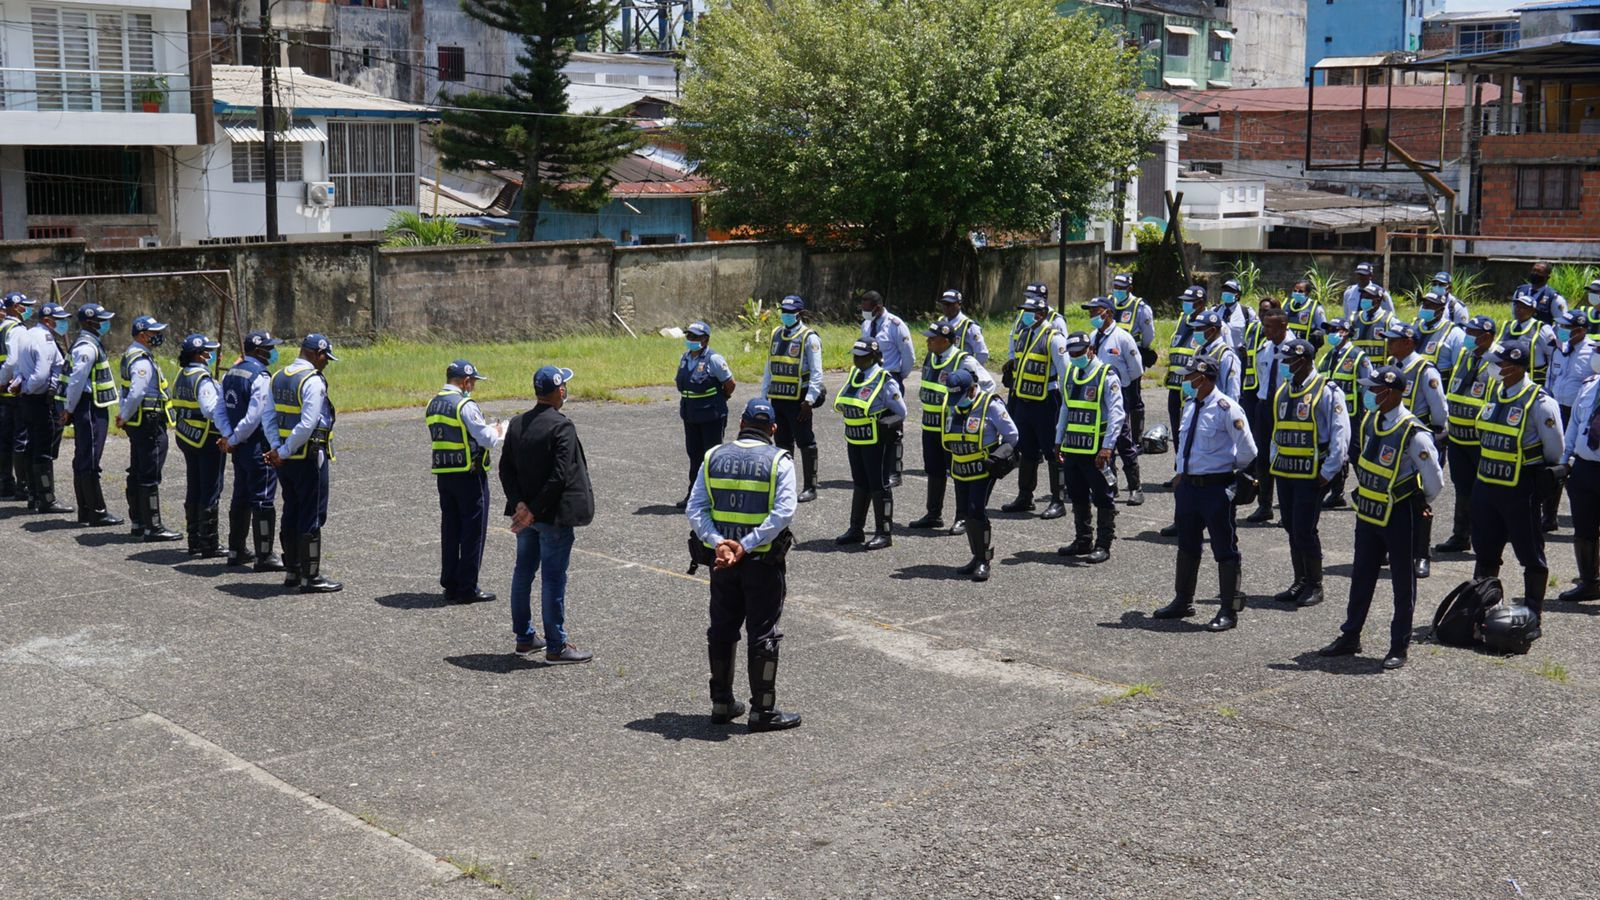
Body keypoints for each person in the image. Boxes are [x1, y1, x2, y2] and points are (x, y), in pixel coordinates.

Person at [1317, 365, 1444, 671]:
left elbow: (1435, 480)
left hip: (1399, 514)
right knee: (1361, 575)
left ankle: (1398, 644)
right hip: (1368, 512)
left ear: (1391, 393)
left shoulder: (1414, 433)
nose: (1369, 394)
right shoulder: (1371, 420)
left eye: (1374, 390)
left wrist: (1417, 503)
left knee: (1402, 582)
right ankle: (1350, 635)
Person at [687, 397, 801, 730]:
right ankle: (762, 711)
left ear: (741, 423)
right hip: (762, 562)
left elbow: (696, 509)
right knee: (763, 633)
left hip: (721, 563)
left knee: (722, 629)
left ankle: (721, 703)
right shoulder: (780, 461)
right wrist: (745, 545)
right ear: (774, 429)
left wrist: (719, 543)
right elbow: (783, 512)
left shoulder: (713, 456)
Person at [1152, 355, 1256, 631]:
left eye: (1191, 377)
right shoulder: (1191, 404)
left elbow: (1248, 450)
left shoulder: (1227, 408)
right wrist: (1180, 473)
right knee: (1187, 545)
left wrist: (1226, 471)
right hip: (1189, 487)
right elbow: (1187, 444)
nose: (1186, 381)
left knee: (1224, 549)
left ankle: (1228, 610)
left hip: (1215, 488)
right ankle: (1183, 600)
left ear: (1204, 377)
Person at [501, 365, 595, 663]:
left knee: (523, 573)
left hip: (527, 514)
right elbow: (559, 476)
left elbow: (506, 470)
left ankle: (525, 638)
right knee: (553, 579)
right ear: (560, 391)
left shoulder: (516, 423)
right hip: (551, 517)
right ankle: (556, 645)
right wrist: (534, 511)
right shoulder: (562, 426)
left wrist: (520, 505)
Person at [1471, 342, 1565, 628]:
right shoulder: (1494, 392)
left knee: (1529, 552)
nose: (1493, 369)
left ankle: (1533, 611)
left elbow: (1554, 450)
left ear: (1515, 367)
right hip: (1486, 486)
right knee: (1486, 551)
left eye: (1498, 364)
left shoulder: (1539, 402)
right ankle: (1484, 607)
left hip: (1518, 489)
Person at [1268, 339, 1349, 609]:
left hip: (1311, 474)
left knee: (1304, 529)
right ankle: (1299, 581)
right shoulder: (1284, 390)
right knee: (1291, 527)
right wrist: (1274, 459)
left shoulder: (1327, 390)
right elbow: (1278, 430)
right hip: (1286, 471)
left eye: (1290, 361)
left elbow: (1340, 434)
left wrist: (1329, 471)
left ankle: (1315, 584)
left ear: (1303, 361)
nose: (1285, 365)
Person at [266, 334, 341, 593]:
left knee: (291, 510)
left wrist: (277, 448)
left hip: (285, 459)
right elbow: (308, 423)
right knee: (312, 514)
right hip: (308, 456)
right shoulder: (312, 381)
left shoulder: (278, 376)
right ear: (316, 354)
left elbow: (269, 416)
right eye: (325, 358)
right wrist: (285, 450)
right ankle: (311, 577)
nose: (326, 363)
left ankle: (293, 570)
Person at [427, 359, 506, 604]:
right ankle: (467, 587)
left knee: (450, 529)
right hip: (469, 475)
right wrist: (499, 430)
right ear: (464, 381)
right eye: (472, 382)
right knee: (473, 531)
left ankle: (450, 583)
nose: (473, 387)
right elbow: (486, 439)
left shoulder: (433, 403)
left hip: (444, 473)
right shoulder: (465, 404)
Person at [908, 321, 990, 534]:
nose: (927, 341)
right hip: (930, 425)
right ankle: (933, 514)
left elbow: (987, 384)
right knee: (934, 470)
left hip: (952, 427)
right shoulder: (931, 356)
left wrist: (970, 410)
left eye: (932, 338)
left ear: (945, 341)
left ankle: (962, 517)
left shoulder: (964, 360)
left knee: (959, 472)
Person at [1054, 331, 1125, 564]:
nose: (1075, 357)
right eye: (1071, 354)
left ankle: (1103, 544)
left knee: (1103, 497)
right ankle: (1083, 540)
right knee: (1077, 495)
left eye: (1079, 353)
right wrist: (1058, 439)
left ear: (1091, 350)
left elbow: (1117, 415)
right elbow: (1066, 407)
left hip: (1097, 450)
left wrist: (1107, 447)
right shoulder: (1071, 374)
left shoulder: (1106, 375)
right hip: (1074, 447)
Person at [942, 368, 1018, 581]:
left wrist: (998, 458)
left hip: (983, 468)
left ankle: (984, 560)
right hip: (961, 468)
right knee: (966, 513)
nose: (957, 401)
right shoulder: (952, 404)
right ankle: (975, 557)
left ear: (973, 389)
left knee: (976, 510)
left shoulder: (990, 404)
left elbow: (1012, 435)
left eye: (961, 395)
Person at [1385, 321, 1448, 578]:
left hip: (1417, 439)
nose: (1389, 343)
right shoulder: (1392, 366)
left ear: (1409, 342)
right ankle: (1396, 547)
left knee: (1419, 497)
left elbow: (1439, 408)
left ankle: (1421, 554)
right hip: (1394, 438)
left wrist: (1434, 436)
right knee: (1394, 493)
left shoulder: (1424, 369)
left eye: (1394, 339)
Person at [219, 331, 285, 571]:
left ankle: (236, 550)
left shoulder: (232, 372)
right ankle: (264, 555)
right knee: (263, 499)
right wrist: (235, 437)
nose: (273, 352)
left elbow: (220, 410)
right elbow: (255, 416)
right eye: (270, 348)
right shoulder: (261, 376)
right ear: (259, 350)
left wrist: (229, 437)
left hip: (239, 447)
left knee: (241, 496)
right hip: (257, 445)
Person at [1001, 292, 1069, 519]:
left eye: (1029, 313)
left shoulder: (1054, 338)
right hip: (1024, 400)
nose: (1025, 316)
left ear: (1040, 315)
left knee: (1052, 451)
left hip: (1046, 401)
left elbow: (1065, 372)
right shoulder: (1024, 333)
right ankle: (1025, 496)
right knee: (1027, 449)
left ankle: (1058, 500)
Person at [834, 339, 906, 549]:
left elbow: (901, 412)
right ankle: (856, 529)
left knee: (879, 485)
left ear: (874, 356)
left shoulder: (885, 380)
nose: (857, 359)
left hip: (876, 441)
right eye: (855, 355)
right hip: (855, 438)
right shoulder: (855, 375)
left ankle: (884, 533)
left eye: (862, 356)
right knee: (860, 483)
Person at [1436, 316, 1498, 555]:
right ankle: (1461, 535)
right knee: (1462, 489)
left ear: (1487, 336)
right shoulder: (1465, 356)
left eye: (1473, 333)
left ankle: (1486, 538)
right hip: (1458, 438)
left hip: (1481, 441)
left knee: (1483, 492)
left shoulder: (1496, 363)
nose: (1468, 337)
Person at [170, 334, 234, 558]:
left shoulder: (182, 374)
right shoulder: (203, 379)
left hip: (187, 437)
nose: (212, 354)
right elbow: (210, 409)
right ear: (199, 354)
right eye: (208, 351)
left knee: (194, 487)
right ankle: (209, 544)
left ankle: (194, 541)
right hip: (206, 440)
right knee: (210, 489)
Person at [58, 303, 121, 526]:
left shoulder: (88, 342)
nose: (105, 323)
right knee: (89, 460)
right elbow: (76, 381)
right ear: (89, 322)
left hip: (88, 407)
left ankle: (86, 511)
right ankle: (97, 512)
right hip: (89, 408)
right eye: (101, 320)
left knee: (84, 458)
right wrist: (69, 409)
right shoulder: (87, 347)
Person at [117, 315, 179, 539]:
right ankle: (153, 526)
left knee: (138, 470)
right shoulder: (141, 359)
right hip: (148, 422)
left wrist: (124, 414)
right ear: (143, 335)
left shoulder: (134, 354)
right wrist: (124, 415)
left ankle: (138, 522)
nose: (158, 337)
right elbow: (137, 392)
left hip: (140, 422)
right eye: (154, 333)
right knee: (149, 473)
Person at [758, 295, 823, 502]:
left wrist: (810, 400)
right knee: (782, 442)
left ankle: (810, 487)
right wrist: (763, 396)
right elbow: (770, 366)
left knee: (805, 441)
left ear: (799, 313)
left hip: (799, 399)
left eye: (789, 312)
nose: (785, 315)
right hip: (778, 396)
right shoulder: (776, 333)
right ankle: (786, 486)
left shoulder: (809, 337)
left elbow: (817, 371)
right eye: (783, 312)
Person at [1156, 286, 1209, 538]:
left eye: (1189, 301)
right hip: (1175, 388)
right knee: (1180, 443)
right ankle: (1179, 471)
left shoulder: (1209, 324)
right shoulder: (1181, 320)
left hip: (1194, 393)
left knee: (1194, 449)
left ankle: (1193, 517)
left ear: (1200, 303)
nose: (1185, 305)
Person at [9, 303, 71, 513]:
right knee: (43, 449)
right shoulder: (44, 339)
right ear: (47, 320)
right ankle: (46, 498)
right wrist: (28, 387)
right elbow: (41, 375)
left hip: (27, 400)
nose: (63, 323)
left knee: (31, 446)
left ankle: (34, 496)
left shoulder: (26, 334)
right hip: (39, 399)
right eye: (59, 319)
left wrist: (19, 385)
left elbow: (18, 368)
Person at [1085, 296, 1145, 504]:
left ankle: (1135, 488)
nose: (1092, 316)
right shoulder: (1093, 336)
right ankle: (1111, 485)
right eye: (1091, 313)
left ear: (1108, 313)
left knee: (1123, 440)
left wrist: (1121, 385)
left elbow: (1136, 369)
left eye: (1096, 312)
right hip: (1096, 395)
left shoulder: (1123, 338)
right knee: (1103, 438)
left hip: (1119, 395)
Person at [675, 321, 735, 508]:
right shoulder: (685, 358)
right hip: (690, 415)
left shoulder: (714, 359)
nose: (690, 340)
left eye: (695, 337)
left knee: (712, 457)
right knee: (694, 456)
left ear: (705, 339)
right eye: (689, 336)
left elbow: (730, 384)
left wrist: (721, 399)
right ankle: (693, 495)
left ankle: (714, 497)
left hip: (711, 415)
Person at [1317, 317, 1374, 510]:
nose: (1332, 333)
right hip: (1329, 413)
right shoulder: (1327, 357)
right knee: (1334, 450)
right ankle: (1336, 493)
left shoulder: (1359, 356)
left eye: (1336, 329)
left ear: (1347, 332)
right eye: (1329, 329)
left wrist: (1369, 412)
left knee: (1356, 453)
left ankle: (1367, 490)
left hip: (1353, 414)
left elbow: (1368, 387)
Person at [860, 291, 916, 488]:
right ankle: (878, 468)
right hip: (871, 381)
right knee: (875, 426)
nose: (863, 312)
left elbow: (908, 356)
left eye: (866, 308)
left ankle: (894, 472)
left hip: (890, 378)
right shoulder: (866, 324)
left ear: (877, 307)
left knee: (893, 428)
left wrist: (899, 377)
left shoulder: (896, 325)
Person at [1559, 353, 1600, 603]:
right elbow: (1573, 426)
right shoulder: (1589, 387)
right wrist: (1564, 463)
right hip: (1584, 468)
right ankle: (1590, 582)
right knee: (1584, 529)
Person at [1244, 309, 1289, 524]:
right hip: (1264, 406)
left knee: (1283, 459)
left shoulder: (1295, 349)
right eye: (1264, 325)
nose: (1265, 330)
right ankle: (1264, 505)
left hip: (1286, 409)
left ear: (1283, 326)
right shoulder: (1265, 348)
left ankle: (1287, 509)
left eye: (1270, 326)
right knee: (1262, 458)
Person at [0, 291, 34, 501]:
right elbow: (12, 361)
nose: (27, 309)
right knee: (20, 439)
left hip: (3, 391)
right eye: (24, 306)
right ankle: (23, 487)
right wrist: (4, 381)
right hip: (13, 390)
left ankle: (5, 483)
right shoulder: (16, 329)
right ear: (14, 307)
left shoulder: (2, 327)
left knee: (4, 439)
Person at [1498, 291, 1557, 386]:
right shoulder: (1508, 326)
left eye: (1524, 308)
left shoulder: (1540, 328)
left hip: (1534, 378)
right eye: (1517, 306)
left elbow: (1553, 354)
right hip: (1508, 375)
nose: (1519, 310)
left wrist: (1552, 378)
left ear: (1533, 311)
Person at [1191, 311, 1242, 400]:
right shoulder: (1199, 350)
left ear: (1212, 330)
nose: (1195, 332)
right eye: (1195, 329)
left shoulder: (1226, 355)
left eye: (1199, 329)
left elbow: (1233, 392)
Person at [1415, 289, 1465, 378]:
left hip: (1440, 385)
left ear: (1441, 310)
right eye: (1424, 305)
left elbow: (1459, 369)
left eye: (1429, 306)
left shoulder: (1454, 333)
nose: (1424, 308)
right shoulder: (1414, 327)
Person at [936, 289, 989, 365]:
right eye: (944, 304)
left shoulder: (969, 326)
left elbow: (982, 353)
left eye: (950, 304)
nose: (946, 307)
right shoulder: (940, 321)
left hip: (960, 373)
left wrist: (970, 370)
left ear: (959, 304)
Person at [1108, 272, 1156, 353]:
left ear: (1130, 289)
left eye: (1121, 288)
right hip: (1112, 354)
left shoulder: (1141, 308)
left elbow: (1148, 335)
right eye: (1116, 287)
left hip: (1131, 353)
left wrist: (1140, 351)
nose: (1118, 290)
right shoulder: (1109, 302)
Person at [1348, 283, 1395, 362]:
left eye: (1368, 297)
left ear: (1378, 300)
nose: (1363, 299)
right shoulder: (1353, 319)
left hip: (1381, 370)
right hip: (1357, 370)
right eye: (1363, 296)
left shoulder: (1389, 320)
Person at [1515, 261, 1568, 327]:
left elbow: (1562, 323)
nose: (1535, 273)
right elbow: (1514, 315)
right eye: (1533, 270)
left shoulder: (1554, 297)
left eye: (1539, 272)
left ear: (1547, 277)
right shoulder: (1520, 291)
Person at [1283, 280, 1327, 344]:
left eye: (1300, 291)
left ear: (1308, 293)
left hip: (1305, 344)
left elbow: (1323, 328)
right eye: (1295, 291)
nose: (1297, 293)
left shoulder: (1315, 307)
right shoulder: (1287, 305)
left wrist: (1316, 335)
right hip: (1287, 343)